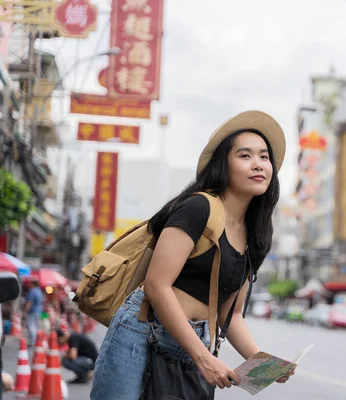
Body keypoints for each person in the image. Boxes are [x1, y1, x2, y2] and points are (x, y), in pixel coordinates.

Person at [91, 111, 293, 399]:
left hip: (194, 340)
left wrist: (265, 364)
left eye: (264, 157)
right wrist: (203, 358)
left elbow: (231, 313)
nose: (258, 164)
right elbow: (157, 286)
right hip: (142, 332)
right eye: (245, 156)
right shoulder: (198, 208)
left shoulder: (255, 234)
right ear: (223, 164)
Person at [24, 280, 43, 346]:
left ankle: (33, 341)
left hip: (32, 311)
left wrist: (25, 310)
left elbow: (29, 302)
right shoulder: (39, 291)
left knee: (31, 326)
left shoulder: (32, 291)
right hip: (38, 311)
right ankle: (35, 340)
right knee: (35, 326)